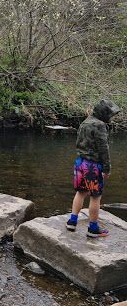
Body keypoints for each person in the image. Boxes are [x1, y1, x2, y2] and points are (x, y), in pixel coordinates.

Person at [65, 99, 121, 237]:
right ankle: (93, 229)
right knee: (95, 197)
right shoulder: (100, 125)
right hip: (93, 166)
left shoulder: (85, 122)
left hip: (80, 162)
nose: (112, 117)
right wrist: (107, 168)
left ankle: (72, 222)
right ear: (103, 113)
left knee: (80, 192)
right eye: (111, 114)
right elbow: (104, 149)